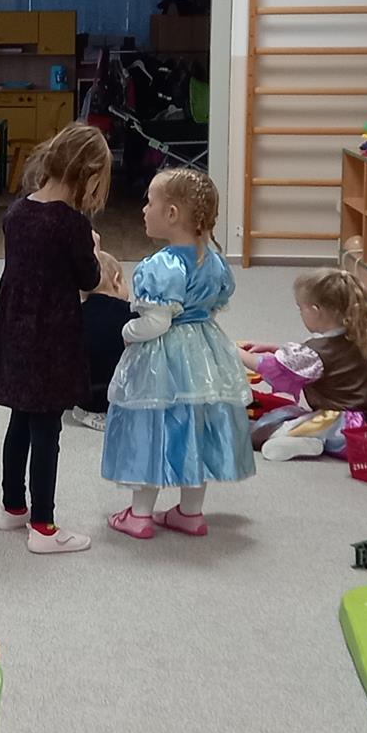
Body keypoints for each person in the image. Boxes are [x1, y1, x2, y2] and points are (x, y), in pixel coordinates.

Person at [103, 166, 254, 538]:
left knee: (151, 425)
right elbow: (211, 307)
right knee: (194, 427)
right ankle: (190, 511)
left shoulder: (162, 266)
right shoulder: (214, 262)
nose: (144, 209)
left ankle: (140, 514)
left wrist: (127, 331)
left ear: (171, 214)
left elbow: (157, 322)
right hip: (204, 352)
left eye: (149, 202)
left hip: (163, 358)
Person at [0, 121, 113, 556]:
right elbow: (90, 280)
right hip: (51, 336)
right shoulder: (71, 224)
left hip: (14, 330)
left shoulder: (18, 211)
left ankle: (13, 506)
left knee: (20, 421)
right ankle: (43, 526)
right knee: (47, 430)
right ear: (90, 175)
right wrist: (93, 248)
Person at [237, 266, 367, 462]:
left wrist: (234, 352)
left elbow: (275, 367)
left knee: (267, 428)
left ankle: (308, 441)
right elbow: (313, 361)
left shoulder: (317, 350)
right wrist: (274, 348)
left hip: (340, 425)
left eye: (301, 308)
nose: (300, 313)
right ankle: (310, 438)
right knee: (285, 414)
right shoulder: (351, 335)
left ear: (315, 310)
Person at [67, 248, 131, 431]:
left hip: (82, 397)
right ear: (117, 280)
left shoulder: (72, 316)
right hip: (117, 395)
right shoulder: (130, 315)